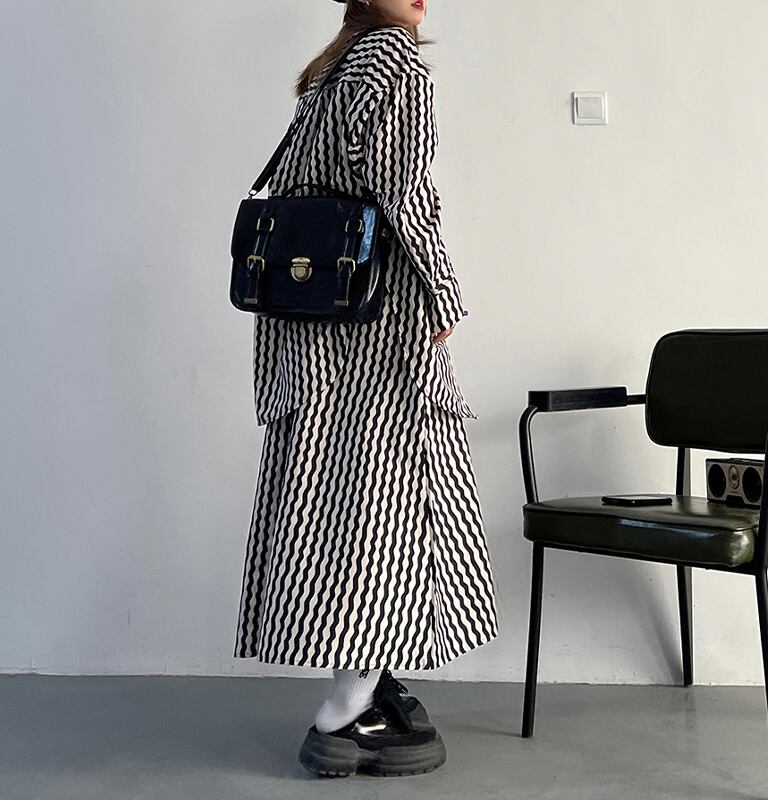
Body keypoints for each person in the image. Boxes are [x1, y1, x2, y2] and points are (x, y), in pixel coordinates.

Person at [232, 0, 500, 778]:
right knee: (392, 504)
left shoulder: (329, 73)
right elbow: (404, 195)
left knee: (345, 501)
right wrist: (444, 296)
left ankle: (369, 689)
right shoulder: (393, 62)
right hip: (379, 329)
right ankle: (345, 712)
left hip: (315, 323)